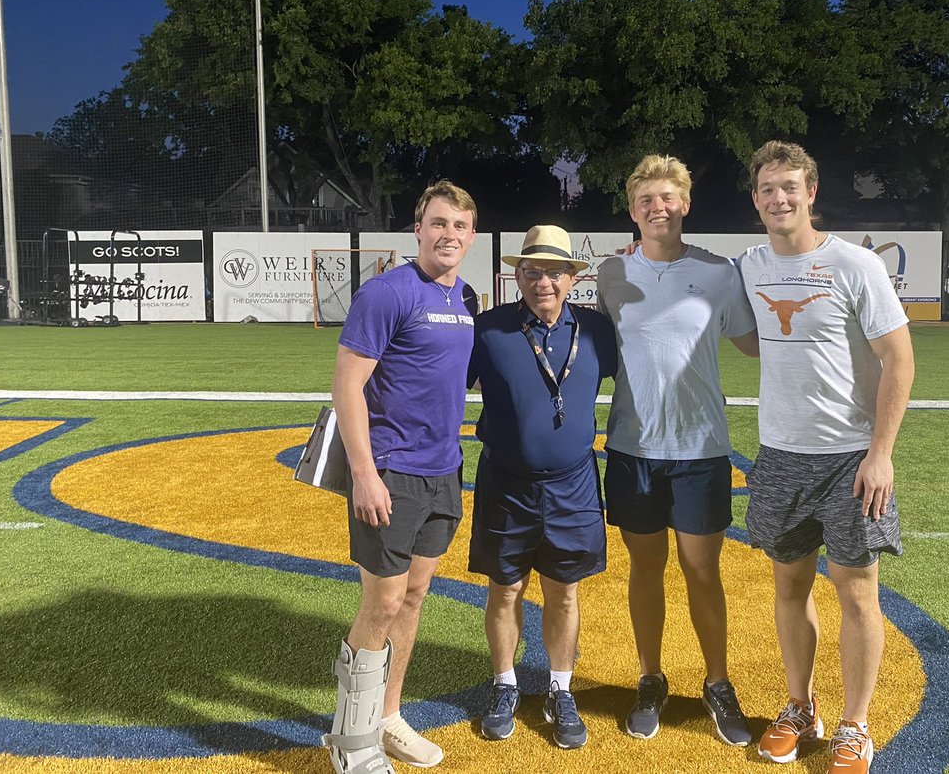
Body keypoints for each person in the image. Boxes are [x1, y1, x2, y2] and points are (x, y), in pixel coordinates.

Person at [736, 141, 914, 774]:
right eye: (767, 189)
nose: (778, 198)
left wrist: (881, 453)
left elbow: (900, 358)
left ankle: (854, 724)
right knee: (789, 587)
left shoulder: (855, 265)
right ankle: (799, 706)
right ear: (754, 198)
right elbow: (755, 343)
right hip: (780, 456)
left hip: (849, 459)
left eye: (790, 187)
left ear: (810, 192)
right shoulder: (749, 266)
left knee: (857, 592)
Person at [596, 154, 759, 747]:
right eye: (645, 200)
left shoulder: (719, 272)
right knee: (646, 569)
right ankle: (651, 678)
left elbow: (755, 345)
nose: (657, 208)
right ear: (632, 209)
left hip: (701, 451)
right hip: (632, 449)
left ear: (685, 203)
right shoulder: (609, 274)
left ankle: (717, 683)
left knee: (701, 571)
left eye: (667, 198)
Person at [324, 180, 479, 774]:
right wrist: (364, 473)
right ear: (418, 228)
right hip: (391, 472)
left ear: (470, 236)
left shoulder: (467, 297)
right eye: (439, 223)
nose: (449, 235)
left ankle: (386, 718)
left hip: (444, 472)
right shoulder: (386, 292)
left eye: (460, 227)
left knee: (414, 597)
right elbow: (347, 386)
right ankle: (349, 739)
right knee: (383, 601)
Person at [467, 225, 617, 750]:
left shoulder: (599, 331)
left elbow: (648, 380)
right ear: (517, 274)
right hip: (506, 484)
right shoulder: (487, 330)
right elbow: (437, 379)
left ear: (573, 278)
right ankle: (505, 683)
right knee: (505, 588)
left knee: (564, 591)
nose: (543, 282)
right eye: (532, 272)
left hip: (574, 485)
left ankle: (560, 687)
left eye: (554, 272)